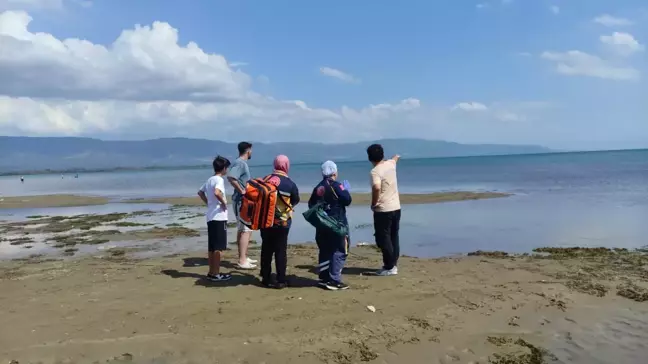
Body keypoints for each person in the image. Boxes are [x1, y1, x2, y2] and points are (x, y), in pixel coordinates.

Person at [308, 161, 352, 290]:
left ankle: (324, 277)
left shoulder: (318, 188)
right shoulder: (337, 186)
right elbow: (347, 200)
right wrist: (346, 190)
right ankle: (334, 279)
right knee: (340, 249)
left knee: (325, 250)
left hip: (322, 225)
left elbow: (311, 205)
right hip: (337, 223)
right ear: (334, 172)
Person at [259, 155, 300, 289]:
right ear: (286, 166)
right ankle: (281, 279)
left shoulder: (265, 179)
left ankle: (265, 277)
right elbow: (295, 200)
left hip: (265, 220)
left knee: (266, 249)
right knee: (280, 250)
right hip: (282, 222)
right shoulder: (290, 184)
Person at [367, 144, 401, 276]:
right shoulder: (390, 164)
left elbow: (376, 187)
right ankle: (392, 264)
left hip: (383, 209)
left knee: (383, 238)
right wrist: (397, 156)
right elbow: (395, 159)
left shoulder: (375, 171)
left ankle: (390, 266)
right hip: (396, 207)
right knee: (393, 236)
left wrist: (373, 203)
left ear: (370, 158)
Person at [198, 156, 232, 282]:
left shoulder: (209, 180)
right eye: (226, 167)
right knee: (218, 247)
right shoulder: (219, 180)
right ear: (223, 168)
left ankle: (212, 272)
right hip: (218, 217)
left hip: (211, 216)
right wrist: (223, 202)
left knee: (212, 247)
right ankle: (216, 273)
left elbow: (200, 192)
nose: (227, 170)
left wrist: (208, 203)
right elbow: (217, 192)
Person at [227, 141, 257, 270]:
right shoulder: (240, 163)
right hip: (241, 201)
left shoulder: (241, 163)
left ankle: (243, 256)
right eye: (251, 150)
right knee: (245, 229)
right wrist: (242, 191)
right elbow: (231, 177)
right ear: (248, 150)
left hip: (242, 200)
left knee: (243, 229)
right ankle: (242, 260)